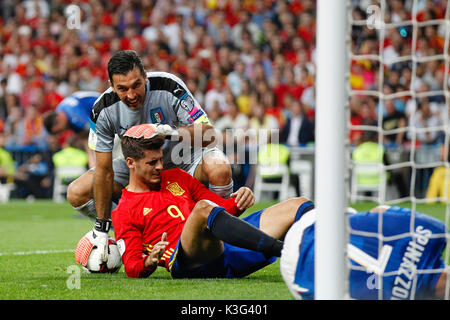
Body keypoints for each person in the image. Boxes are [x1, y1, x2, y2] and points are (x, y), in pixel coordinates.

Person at [68, 50, 233, 265]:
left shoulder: (168, 85)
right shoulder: (103, 109)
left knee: (219, 168)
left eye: (136, 85)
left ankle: (226, 236)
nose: (131, 94)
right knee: (77, 191)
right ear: (111, 84)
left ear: (145, 76)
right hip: (139, 168)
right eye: (122, 89)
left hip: (183, 159)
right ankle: (139, 234)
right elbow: (103, 170)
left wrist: (168, 130)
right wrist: (101, 227)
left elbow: (209, 135)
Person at [100, 123, 311, 279]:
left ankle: (335, 247)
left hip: (223, 246)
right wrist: (149, 260)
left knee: (298, 204)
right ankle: (286, 251)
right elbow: (132, 266)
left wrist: (239, 200)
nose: (160, 167)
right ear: (130, 163)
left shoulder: (177, 177)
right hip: (191, 262)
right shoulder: (124, 210)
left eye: (161, 160)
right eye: (152, 162)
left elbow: (220, 209)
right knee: (201, 210)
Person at [280, 204, 447, 300]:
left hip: (314, 227)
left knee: (299, 204)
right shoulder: (435, 232)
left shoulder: (435, 231)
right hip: (300, 276)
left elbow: (379, 210)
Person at [43, 91, 101, 168]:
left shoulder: (75, 117)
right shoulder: (61, 111)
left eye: (59, 131)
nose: (61, 133)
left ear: (58, 120)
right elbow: (85, 139)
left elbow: (98, 131)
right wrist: (93, 163)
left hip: (109, 106)